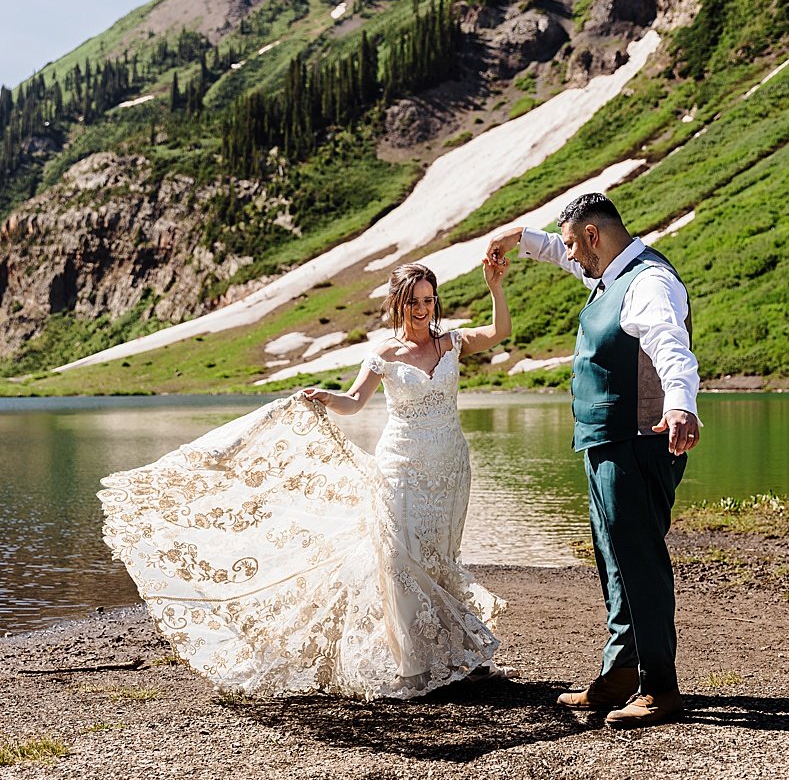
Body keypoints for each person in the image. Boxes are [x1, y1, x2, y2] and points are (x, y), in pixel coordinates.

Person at [97, 253, 514, 698]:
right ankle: (414, 665)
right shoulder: (384, 354)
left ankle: (456, 654)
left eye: (428, 299)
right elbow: (354, 402)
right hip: (401, 464)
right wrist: (325, 397)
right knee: (396, 559)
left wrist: (494, 286)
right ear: (397, 302)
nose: (422, 308)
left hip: (450, 465)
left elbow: (500, 333)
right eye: (413, 300)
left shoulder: (450, 341)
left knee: (437, 558)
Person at [485, 192, 700, 730]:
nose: (571, 257)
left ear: (594, 237)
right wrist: (522, 240)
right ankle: (619, 672)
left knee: (639, 560)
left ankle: (661, 687)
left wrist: (680, 404)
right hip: (607, 441)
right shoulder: (611, 271)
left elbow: (670, 344)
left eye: (574, 246)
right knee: (612, 557)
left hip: (638, 441)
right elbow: (564, 255)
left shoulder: (649, 283)